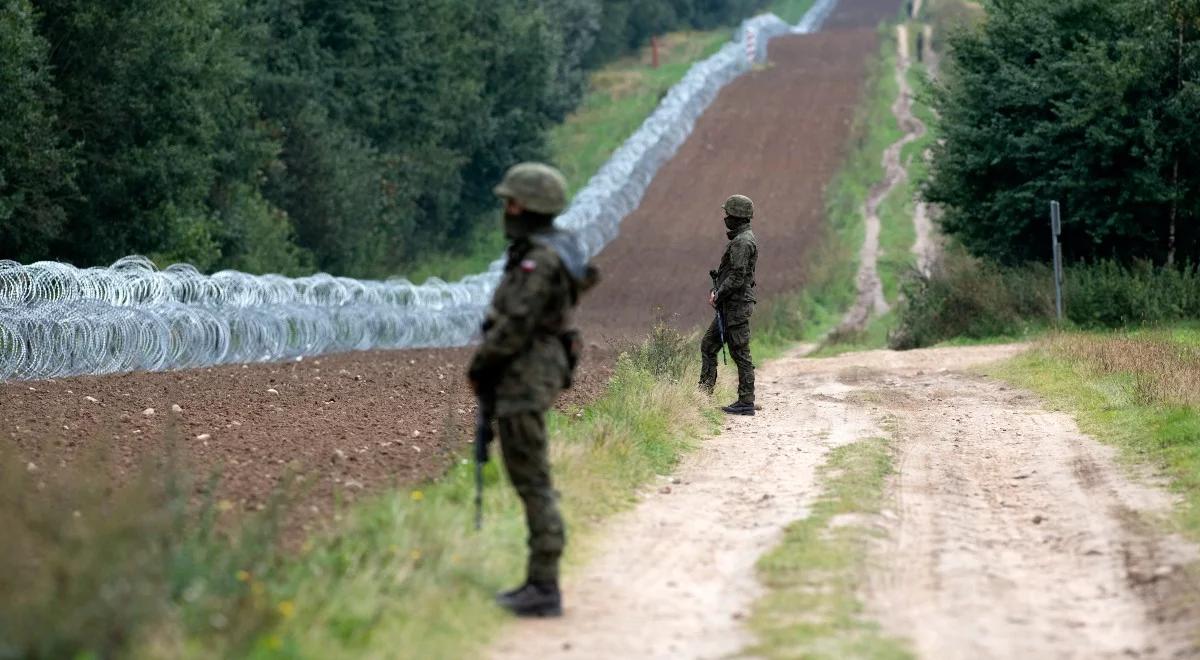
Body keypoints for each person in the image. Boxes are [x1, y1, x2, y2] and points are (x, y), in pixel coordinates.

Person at [468, 162, 598, 617]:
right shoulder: (547, 250)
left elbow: (518, 321)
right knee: (531, 477)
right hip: (529, 371)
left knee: (533, 479)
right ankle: (539, 581)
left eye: (513, 201)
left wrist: (481, 365)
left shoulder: (539, 258)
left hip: (525, 374)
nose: (507, 208)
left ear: (530, 205)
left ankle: (544, 585)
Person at [698, 194, 758, 416]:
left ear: (737, 216)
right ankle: (703, 395)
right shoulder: (742, 239)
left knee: (740, 353)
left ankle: (746, 401)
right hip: (731, 305)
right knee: (709, 345)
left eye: (728, 214)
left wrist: (718, 294)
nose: (725, 218)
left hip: (736, 306)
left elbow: (737, 277)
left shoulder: (742, 242)